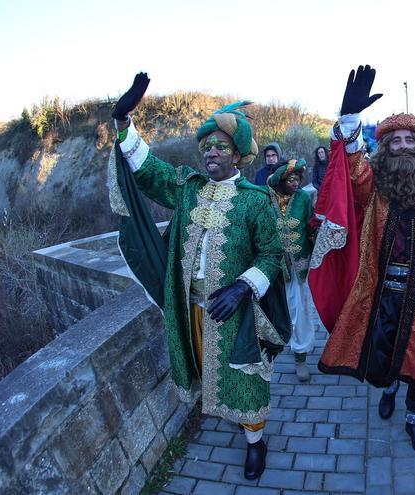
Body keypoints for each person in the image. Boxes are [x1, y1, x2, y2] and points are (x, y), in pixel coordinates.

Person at [107, 73, 291, 479]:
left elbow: (272, 254)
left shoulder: (256, 201)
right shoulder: (188, 189)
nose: (210, 152)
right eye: (206, 146)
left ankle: (256, 442)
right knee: (208, 367)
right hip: (192, 304)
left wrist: (244, 287)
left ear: (238, 156)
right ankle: (228, 414)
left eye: (220, 146)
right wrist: (123, 123)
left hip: (238, 308)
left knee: (246, 376)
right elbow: (150, 171)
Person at [309, 65, 415, 454]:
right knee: (385, 353)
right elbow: (354, 170)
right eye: (393, 140)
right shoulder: (376, 188)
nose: (401, 146)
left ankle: (414, 417)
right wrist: (349, 123)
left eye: (408, 140)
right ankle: (390, 388)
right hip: (382, 293)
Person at [266, 159, 317, 381]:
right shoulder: (265, 199)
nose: (296, 183)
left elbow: (311, 229)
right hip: (272, 269)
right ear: (279, 181)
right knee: (275, 312)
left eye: (298, 179)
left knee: (300, 312)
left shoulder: (304, 199)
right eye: (291, 179)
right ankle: (270, 351)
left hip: (299, 269)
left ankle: (300, 356)